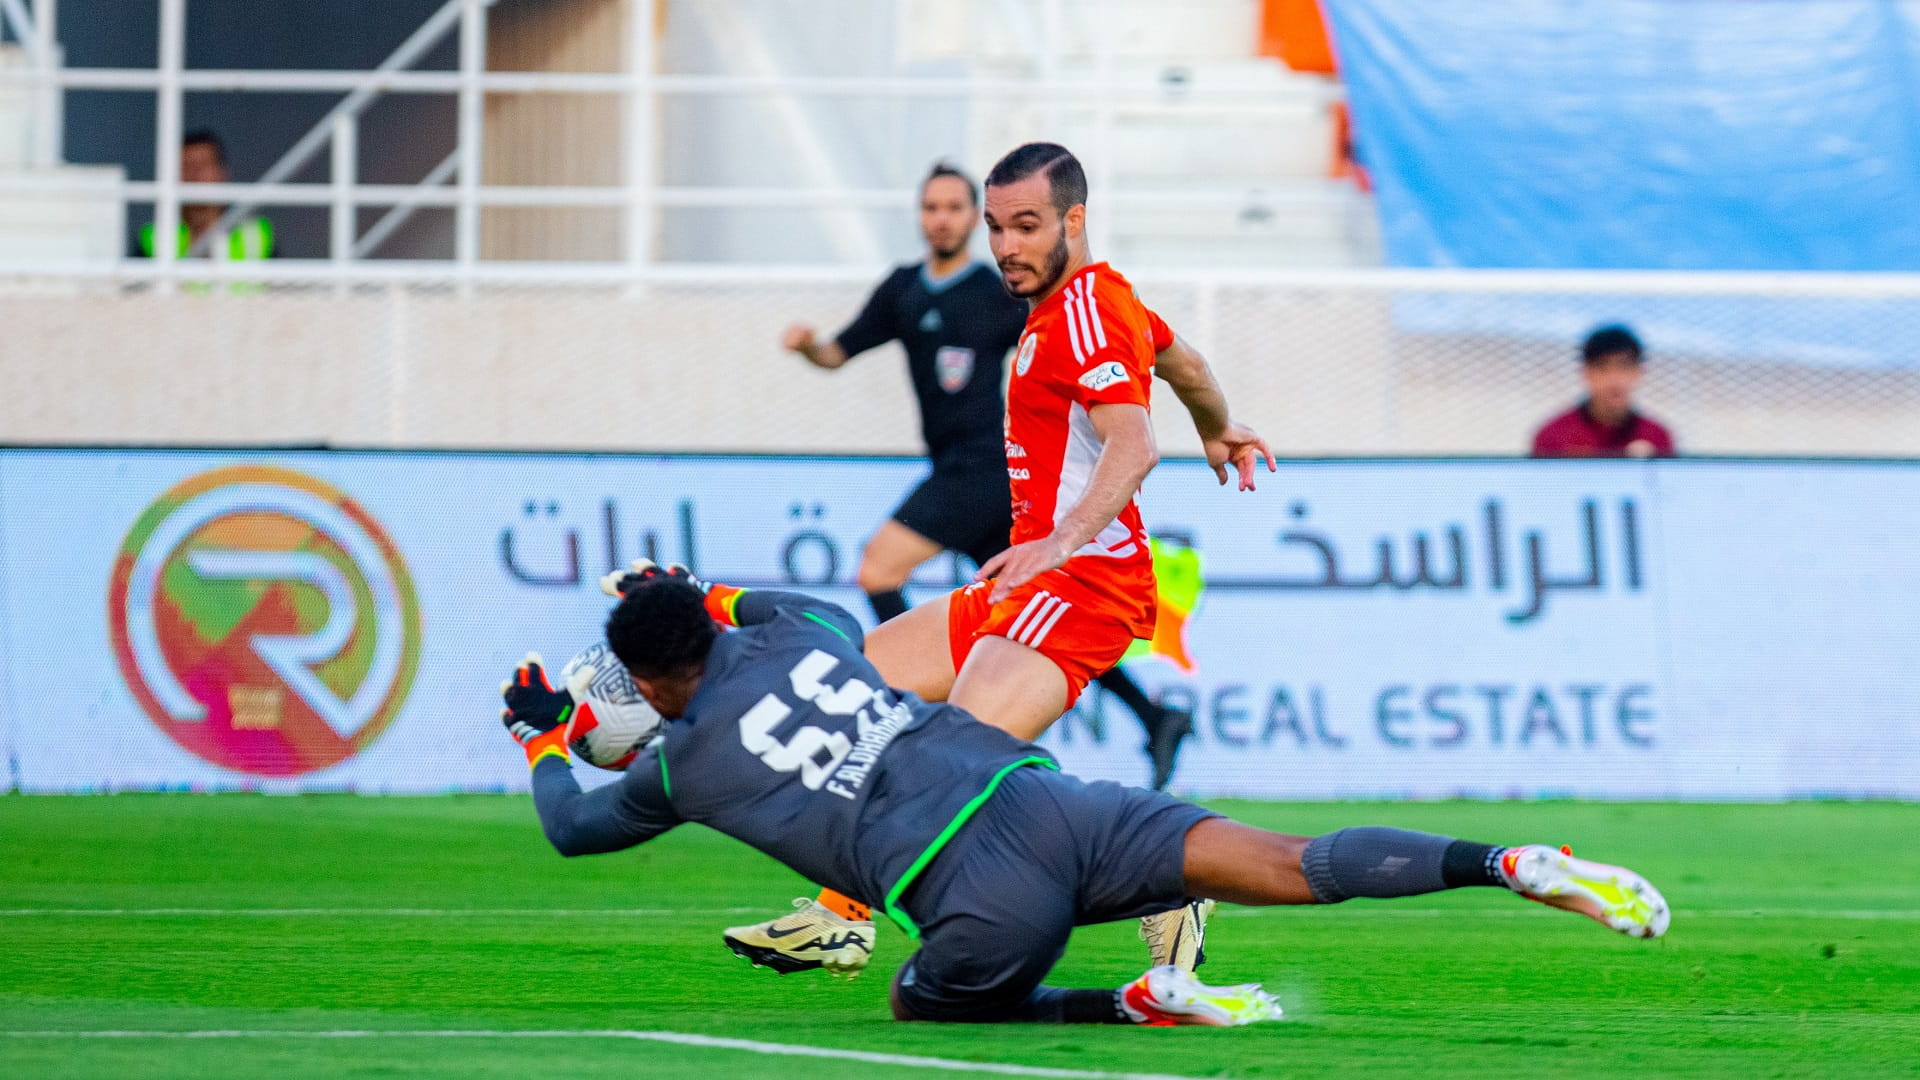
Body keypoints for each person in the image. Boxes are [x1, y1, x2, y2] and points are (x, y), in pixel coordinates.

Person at [498, 571, 1671, 1026]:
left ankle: (1138, 1003)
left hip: (975, 893)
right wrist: (694, 587)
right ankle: (1504, 862)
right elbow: (793, 611)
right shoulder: (801, 632)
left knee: (926, 1007)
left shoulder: (677, 766)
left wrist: (548, 735)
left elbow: (571, 828)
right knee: (1291, 862)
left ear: (648, 688)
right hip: (1050, 802)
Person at [731, 142, 1276, 976]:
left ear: (1075, 220)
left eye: (1026, 226)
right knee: (855, 700)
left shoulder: (1087, 312)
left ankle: (1167, 880)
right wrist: (1218, 424)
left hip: (1082, 584)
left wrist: (1059, 540)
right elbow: (1186, 365)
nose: (1007, 245)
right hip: (1027, 580)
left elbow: (1134, 446)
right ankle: (843, 915)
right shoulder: (1089, 300)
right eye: (996, 228)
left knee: (952, 772)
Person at [780, 161, 1193, 791]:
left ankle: (955, 713)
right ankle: (1150, 714)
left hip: (983, 470)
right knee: (1027, 609)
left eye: (956, 208)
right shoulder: (905, 290)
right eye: (931, 207)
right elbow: (840, 352)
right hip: (992, 486)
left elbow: (1129, 414)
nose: (944, 219)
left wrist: (1063, 536)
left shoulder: (1017, 294)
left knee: (882, 574)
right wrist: (809, 347)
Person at [1531, 324, 1676, 458]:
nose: (1614, 379)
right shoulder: (1553, 436)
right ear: (1586, 372)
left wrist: (1646, 468)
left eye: (1624, 367)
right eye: (1602, 368)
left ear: (1640, 371)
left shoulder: (1657, 438)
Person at [137, 130, 275, 262]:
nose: (195, 174)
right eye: (186, 166)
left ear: (222, 172)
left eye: (203, 164)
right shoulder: (154, 236)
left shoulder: (256, 234)